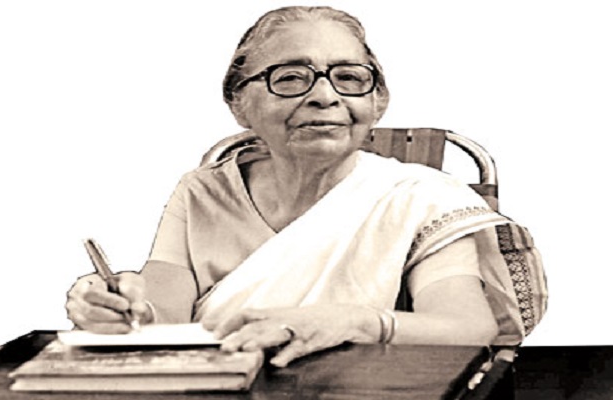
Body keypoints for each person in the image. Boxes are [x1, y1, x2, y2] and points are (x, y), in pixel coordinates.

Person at [66, 6, 546, 368]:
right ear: (239, 103)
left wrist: (354, 321)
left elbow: (468, 328)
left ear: (377, 101)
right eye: (291, 78)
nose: (325, 95)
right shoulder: (202, 193)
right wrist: (116, 309)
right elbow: (160, 314)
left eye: (349, 78)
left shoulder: (420, 198)